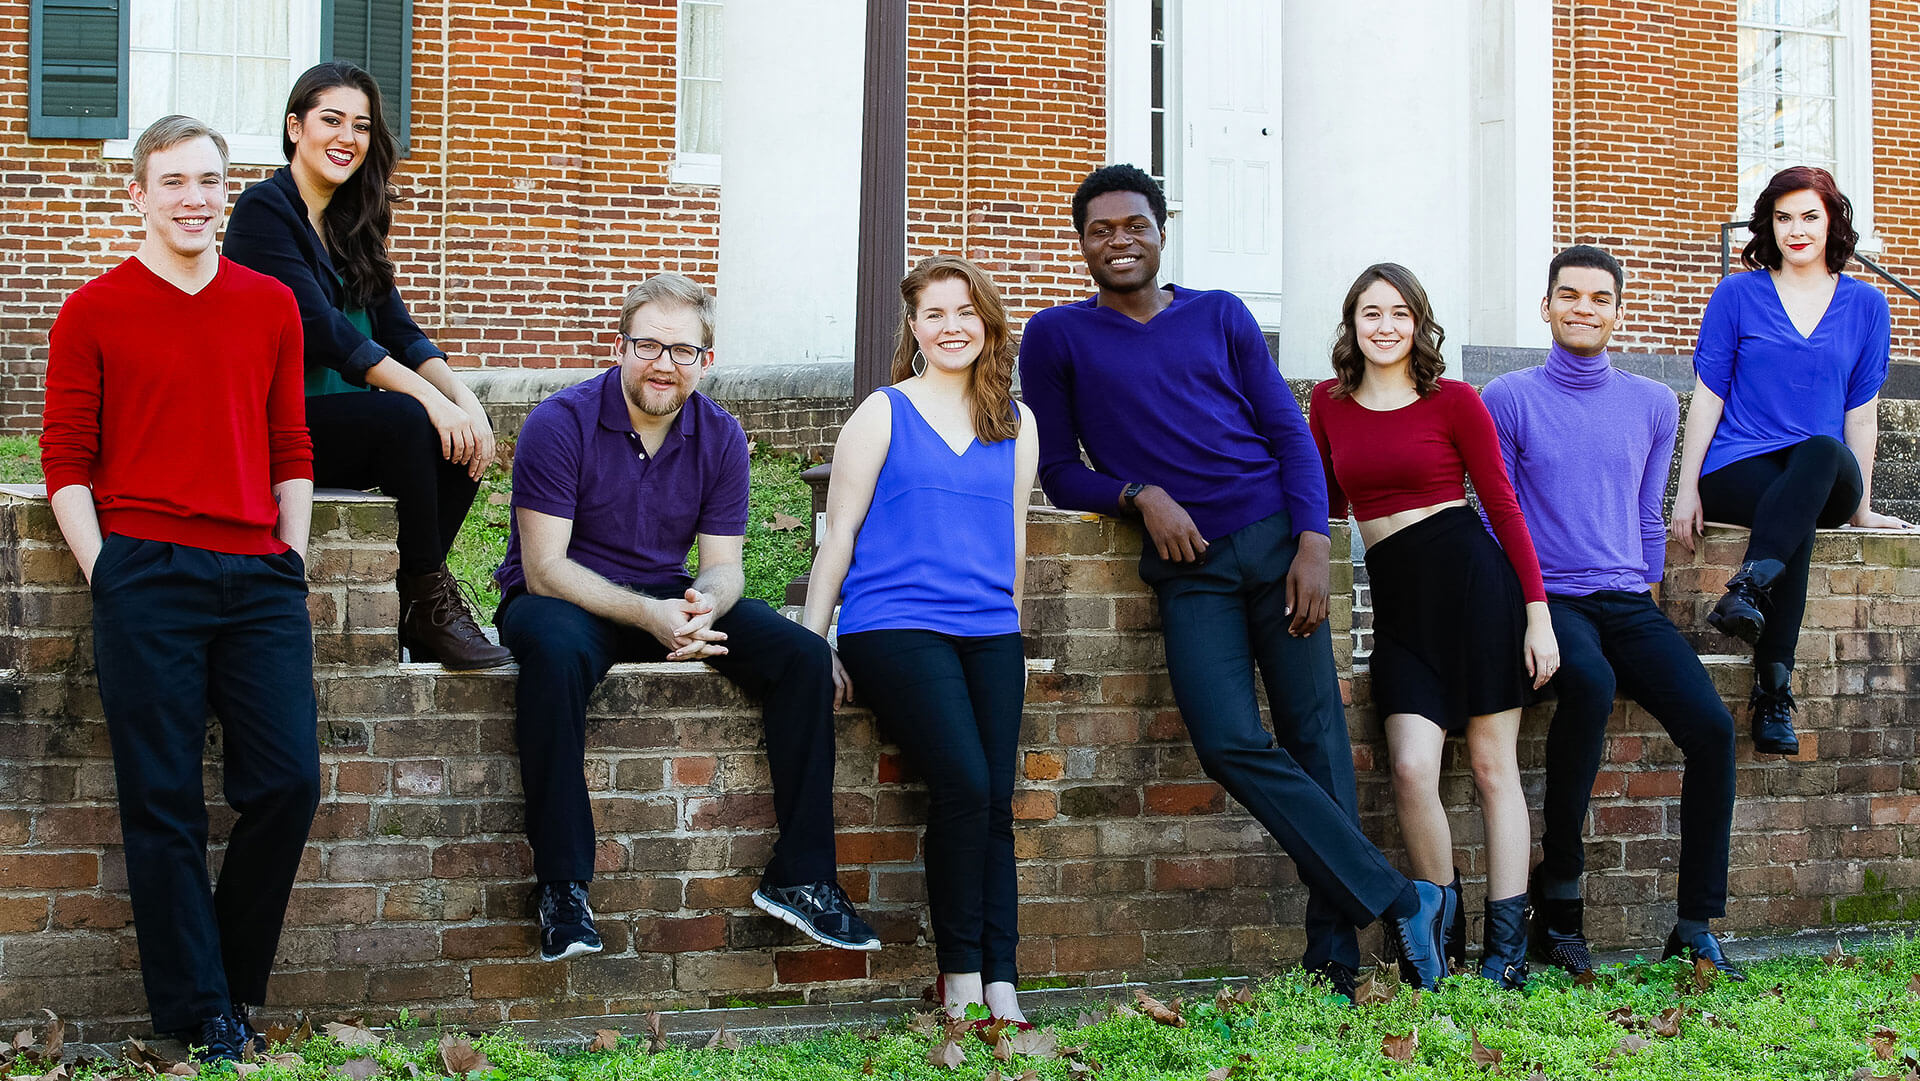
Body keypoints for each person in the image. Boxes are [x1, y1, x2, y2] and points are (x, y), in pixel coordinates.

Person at [1020, 164, 1450, 996]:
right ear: (1081, 244)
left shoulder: (1219, 314)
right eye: (1101, 230)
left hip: (1274, 542)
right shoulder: (1058, 336)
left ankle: (1333, 952)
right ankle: (1403, 897)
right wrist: (1139, 495)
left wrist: (1315, 541)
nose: (1120, 241)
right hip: (1190, 569)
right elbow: (1058, 472)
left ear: (1160, 230)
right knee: (1225, 739)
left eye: (1133, 225)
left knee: (1315, 736)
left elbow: (1287, 431)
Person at [494, 273, 879, 962]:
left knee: (798, 655)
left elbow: (724, 565)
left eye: (683, 349)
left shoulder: (722, 436)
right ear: (619, 347)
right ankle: (562, 888)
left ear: (706, 359)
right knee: (550, 659)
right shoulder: (560, 422)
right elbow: (545, 565)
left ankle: (803, 875)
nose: (663, 363)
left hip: (667, 596)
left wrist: (703, 605)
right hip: (563, 600)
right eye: (648, 344)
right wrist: (650, 614)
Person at [41, 116, 320, 1063]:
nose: (195, 199)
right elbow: (65, 464)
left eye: (210, 180)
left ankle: (231, 983)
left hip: (258, 575)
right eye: (174, 183)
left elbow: (291, 445)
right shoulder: (92, 310)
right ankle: (206, 1012)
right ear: (139, 195)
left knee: (288, 782)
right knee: (163, 802)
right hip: (145, 573)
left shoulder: (270, 304)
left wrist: (291, 555)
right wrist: (108, 571)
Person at [1484, 245, 1743, 981]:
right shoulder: (1508, 397)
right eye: (1569, 296)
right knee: (1590, 683)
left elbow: (1646, 515)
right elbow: (1495, 516)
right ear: (1545, 306)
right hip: (1551, 595)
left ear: (1619, 314)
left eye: (1600, 298)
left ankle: (1695, 924)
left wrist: (1648, 598)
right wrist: (1528, 607)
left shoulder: (1654, 404)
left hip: (1628, 599)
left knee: (1714, 727)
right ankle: (1559, 904)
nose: (1583, 309)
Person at [802, 256, 1039, 1026]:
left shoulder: (1017, 422)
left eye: (965, 312)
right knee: (966, 784)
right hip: (894, 625)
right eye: (934, 314)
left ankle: (1002, 980)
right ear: (913, 327)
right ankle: (960, 978)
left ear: (988, 322)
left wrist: (1016, 632)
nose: (951, 327)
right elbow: (836, 535)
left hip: (989, 631)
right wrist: (815, 641)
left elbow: (1016, 541)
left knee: (994, 802)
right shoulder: (882, 412)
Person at [1308, 263, 1558, 989]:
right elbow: (1322, 505)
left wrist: (1537, 614)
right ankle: (1434, 945)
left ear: (1418, 322)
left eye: (1399, 312)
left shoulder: (1455, 400)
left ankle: (1507, 951)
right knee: (1413, 768)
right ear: (1352, 325)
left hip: (1475, 587)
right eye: (1370, 313)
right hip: (1400, 606)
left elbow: (1504, 508)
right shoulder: (1328, 403)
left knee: (1490, 768)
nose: (1385, 326)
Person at [226, 61, 508, 670]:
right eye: (331, 120)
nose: (347, 138)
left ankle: (416, 598)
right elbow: (321, 331)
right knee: (410, 421)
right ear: (294, 127)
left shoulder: (353, 222)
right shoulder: (262, 213)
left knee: (457, 438)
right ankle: (430, 605)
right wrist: (428, 401)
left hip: (339, 421)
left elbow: (399, 330)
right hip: (275, 429)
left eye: (361, 126)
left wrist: (463, 398)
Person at [1669, 165, 1911, 757]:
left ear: (1832, 223)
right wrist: (1686, 488)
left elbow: (1860, 413)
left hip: (1825, 471)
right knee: (1790, 523)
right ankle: (1774, 692)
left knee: (1820, 453)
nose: (1795, 230)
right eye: (1782, 218)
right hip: (1739, 464)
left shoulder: (1867, 306)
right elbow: (1709, 395)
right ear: (1768, 225)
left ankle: (1749, 586)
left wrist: (1863, 510)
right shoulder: (1737, 294)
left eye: (1809, 216)